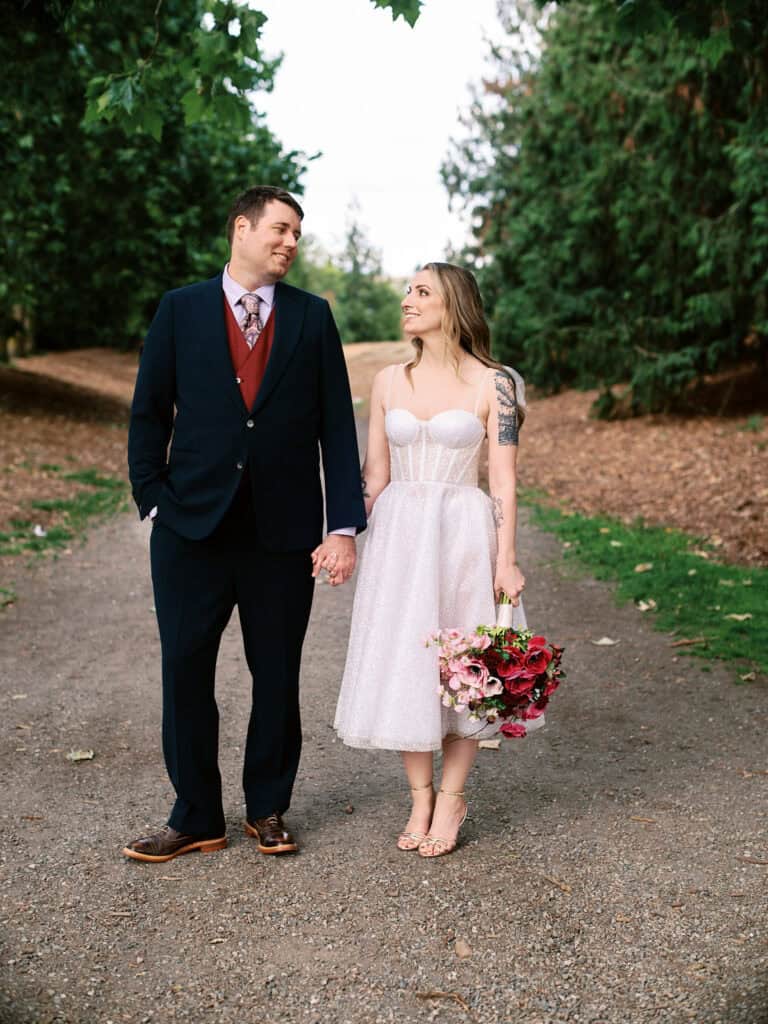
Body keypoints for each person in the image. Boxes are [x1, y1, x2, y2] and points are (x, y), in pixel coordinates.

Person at [125, 185, 366, 863]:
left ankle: (268, 807)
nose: (291, 243)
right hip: (190, 531)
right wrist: (152, 497)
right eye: (280, 230)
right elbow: (149, 412)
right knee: (185, 672)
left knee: (277, 674)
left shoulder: (313, 319)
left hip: (282, 534)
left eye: (297, 234)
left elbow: (336, 431)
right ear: (242, 228)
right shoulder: (181, 311)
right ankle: (196, 815)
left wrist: (342, 523)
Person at [333, 262, 526, 858]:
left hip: (464, 534)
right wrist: (341, 532)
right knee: (406, 661)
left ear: (455, 304)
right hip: (399, 537)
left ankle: (452, 796)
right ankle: (419, 795)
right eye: (408, 291)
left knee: (462, 664)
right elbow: (375, 474)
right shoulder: (390, 380)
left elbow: (504, 481)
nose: (406, 300)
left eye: (421, 292)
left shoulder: (497, 384)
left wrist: (507, 560)